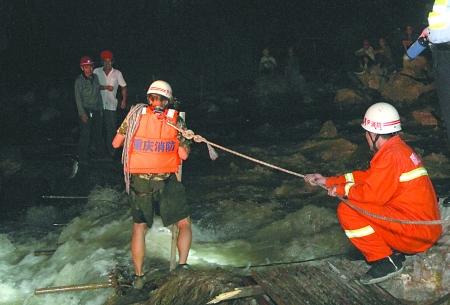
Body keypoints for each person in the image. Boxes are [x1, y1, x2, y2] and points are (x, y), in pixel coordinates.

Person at [304, 102, 442, 285]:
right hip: (422, 228)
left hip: (416, 234)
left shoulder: (391, 156)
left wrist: (341, 190)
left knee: (348, 210)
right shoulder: (397, 150)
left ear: (373, 134)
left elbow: (371, 195)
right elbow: (368, 178)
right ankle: (391, 253)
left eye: (366, 134)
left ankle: (386, 262)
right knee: (363, 202)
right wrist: (328, 180)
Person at [112, 80, 192, 288]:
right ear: (168, 100)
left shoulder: (135, 116)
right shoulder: (176, 121)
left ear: (149, 98)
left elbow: (115, 143)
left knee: (139, 227)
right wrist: (183, 137)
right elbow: (183, 154)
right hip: (166, 179)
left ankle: (139, 276)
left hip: (140, 180)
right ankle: (182, 266)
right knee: (183, 223)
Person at [94, 50, 127, 158]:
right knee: (98, 129)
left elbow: (124, 87)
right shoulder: (96, 72)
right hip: (98, 105)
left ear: (112, 62)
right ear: (102, 62)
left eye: (109, 61)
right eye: (105, 61)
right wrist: (105, 87)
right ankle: (100, 151)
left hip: (111, 106)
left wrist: (123, 100)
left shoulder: (117, 73)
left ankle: (112, 152)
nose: (107, 63)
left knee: (111, 129)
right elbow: (92, 86)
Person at [74, 56, 103, 164]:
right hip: (85, 109)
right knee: (85, 134)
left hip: (96, 109)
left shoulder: (95, 77)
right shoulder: (79, 81)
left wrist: (100, 109)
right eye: (86, 67)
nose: (89, 69)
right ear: (82, 68)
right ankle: (82, 157)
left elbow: (98, 94)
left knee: (97, 132)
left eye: (90, 66)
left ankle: (98, 154)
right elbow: (77, 98)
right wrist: (82, 114)